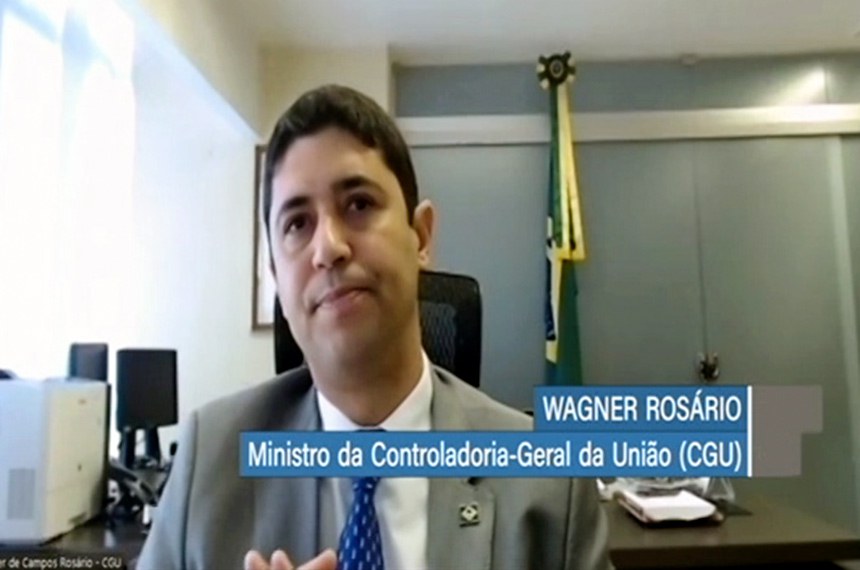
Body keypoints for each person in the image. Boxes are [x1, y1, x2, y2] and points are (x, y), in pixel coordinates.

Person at [136, 85, 612, 570]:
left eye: (359, 204)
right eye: (297, 224)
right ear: (277, 275)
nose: (328, 248)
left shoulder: (551, 480)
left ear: (421, 237)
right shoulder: (209, 463)